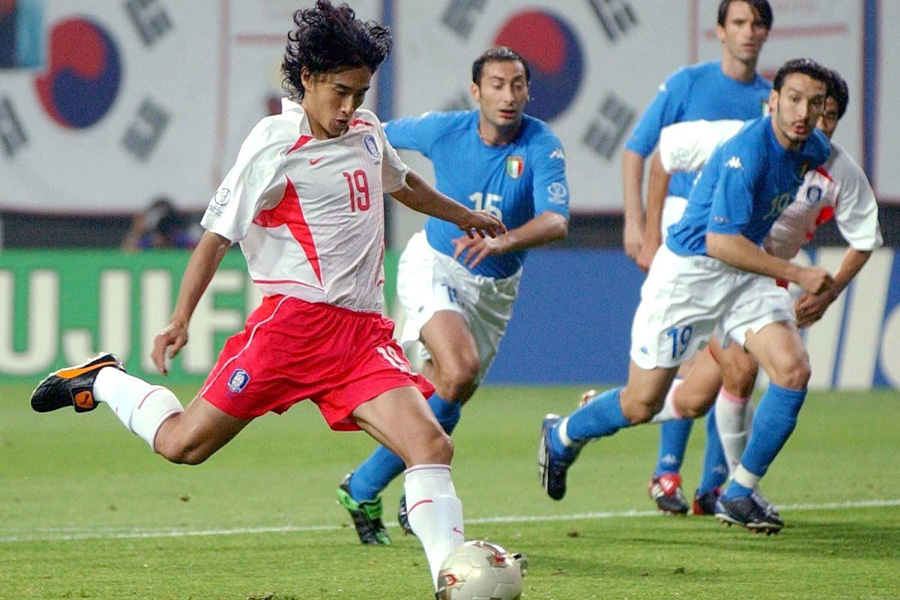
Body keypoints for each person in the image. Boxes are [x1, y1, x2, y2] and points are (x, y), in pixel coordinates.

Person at [29, 1, 505, 591]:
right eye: (340, 91)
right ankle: (101, 379)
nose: (350, 106)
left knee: (431, 444)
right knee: (183, 446)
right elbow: (216, 236)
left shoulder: (365, 131)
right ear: (307, 78)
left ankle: (451, 581)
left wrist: (465, 216)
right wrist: (180, 319)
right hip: (291, 332)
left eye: (360, 92)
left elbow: (404, 184)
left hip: (360, 338)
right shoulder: (273, 143)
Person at [539, 58, 834, 534]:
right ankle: (562, 434)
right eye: (794, 99)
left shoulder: (814, 147)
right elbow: (719, 240)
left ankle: (738, 491)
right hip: (691, 273)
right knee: (642, 404)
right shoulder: (747, 151)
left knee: (792, 368)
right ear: (773, 101)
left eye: (814, 103)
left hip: (742, 274)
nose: (803, 111)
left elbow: (839, 181)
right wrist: (797, 271)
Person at [338, 46, 570, 545]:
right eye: (497, 85)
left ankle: (363, 485)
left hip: (495, 288)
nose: (508, 96)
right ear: (476, 91)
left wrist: (504, 240)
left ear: (528, 90)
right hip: (436, 264)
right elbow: (371, 133)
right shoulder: (446, 129)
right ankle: (421, 480)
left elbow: (556, 220)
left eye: (517, 85)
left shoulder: (541, 143)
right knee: (458, 368)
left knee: (450, 388)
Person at [642, 68, 882, 502]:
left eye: (827, 114)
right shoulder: (744, 139)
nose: (815, 121)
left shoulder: (831, 166)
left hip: (764, 280)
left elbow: (865, 238)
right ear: (776, 102)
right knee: (743, 371)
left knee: (695, 397)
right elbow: (665, 154)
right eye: (807, 107)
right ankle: (734, 489)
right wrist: (648, 231)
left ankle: (610, 410)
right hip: (716, 267)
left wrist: (829, 293)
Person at [621, 0, 774, 515]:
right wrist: (639, 223)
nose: (748, 32)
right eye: (738, 23)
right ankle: (669, 472)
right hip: (687, 227)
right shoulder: (688, 83)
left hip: (739, 235)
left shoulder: (772, 100)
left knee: (734, 365)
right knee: (696, 354)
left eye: (757, 23)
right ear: (719, 31)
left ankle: (711, 484)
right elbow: (639, 150)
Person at [121, 196, 201, 251]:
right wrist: (137, 230)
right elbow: (126, 256)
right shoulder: (148, 242)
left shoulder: (180, 240)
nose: (163, 226)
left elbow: (199, 252)